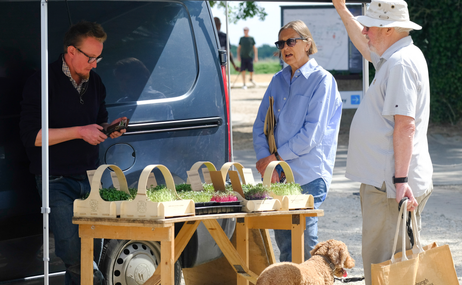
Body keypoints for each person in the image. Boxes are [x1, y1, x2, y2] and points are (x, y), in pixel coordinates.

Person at [332, 1, 433, 284]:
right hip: (390, 184)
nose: (365, 30)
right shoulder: (397, 55)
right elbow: (364, 45)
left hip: (391, 187)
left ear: (388, 28)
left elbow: (405, 125)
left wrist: (400, 181)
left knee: (385, 269)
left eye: (370, 25)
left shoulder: (400, 63)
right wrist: (341, 8)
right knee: (396, 266)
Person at [20, 21, 127, 285]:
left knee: (92, 253)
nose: (95, 64)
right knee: (75, 257)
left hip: (91, 177)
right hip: (56, 180)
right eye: (90, 57)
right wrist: (80, 131)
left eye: (98, 58)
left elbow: (99, 120)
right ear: (71, 51)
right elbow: (33, 136)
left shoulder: (96, 82)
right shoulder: (42, 81)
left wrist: (108, 129)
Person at [253, 20, 342, 262]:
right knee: (284, 245)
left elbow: (311, 135)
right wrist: (266, 163)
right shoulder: (276, 80)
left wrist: (276, 159)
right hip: (277, 174)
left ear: (307, 43)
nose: (285, 47)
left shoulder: (323, 81)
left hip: (308, 174)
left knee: (304, 247)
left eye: (291, 41)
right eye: (281, 43)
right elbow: (260, 126)